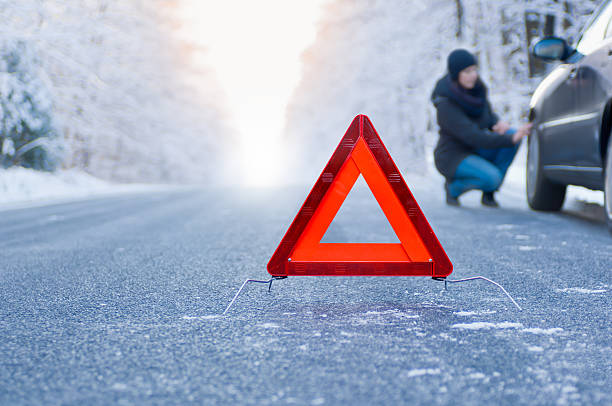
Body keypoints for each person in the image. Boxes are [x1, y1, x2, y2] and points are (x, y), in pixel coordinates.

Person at [431, 49, 532, 207]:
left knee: (510, 134)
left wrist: (497, 124)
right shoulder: (445, 104)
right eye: (467, 71)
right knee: (493, 175)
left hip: (475, 149)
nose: (473, 75)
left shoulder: (477, 91)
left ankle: (489, 192)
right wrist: (510, 138)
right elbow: (473, 135)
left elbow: (488, 116)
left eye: (474, 70)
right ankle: (453, 188)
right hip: (452, 156)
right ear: (456, 74)